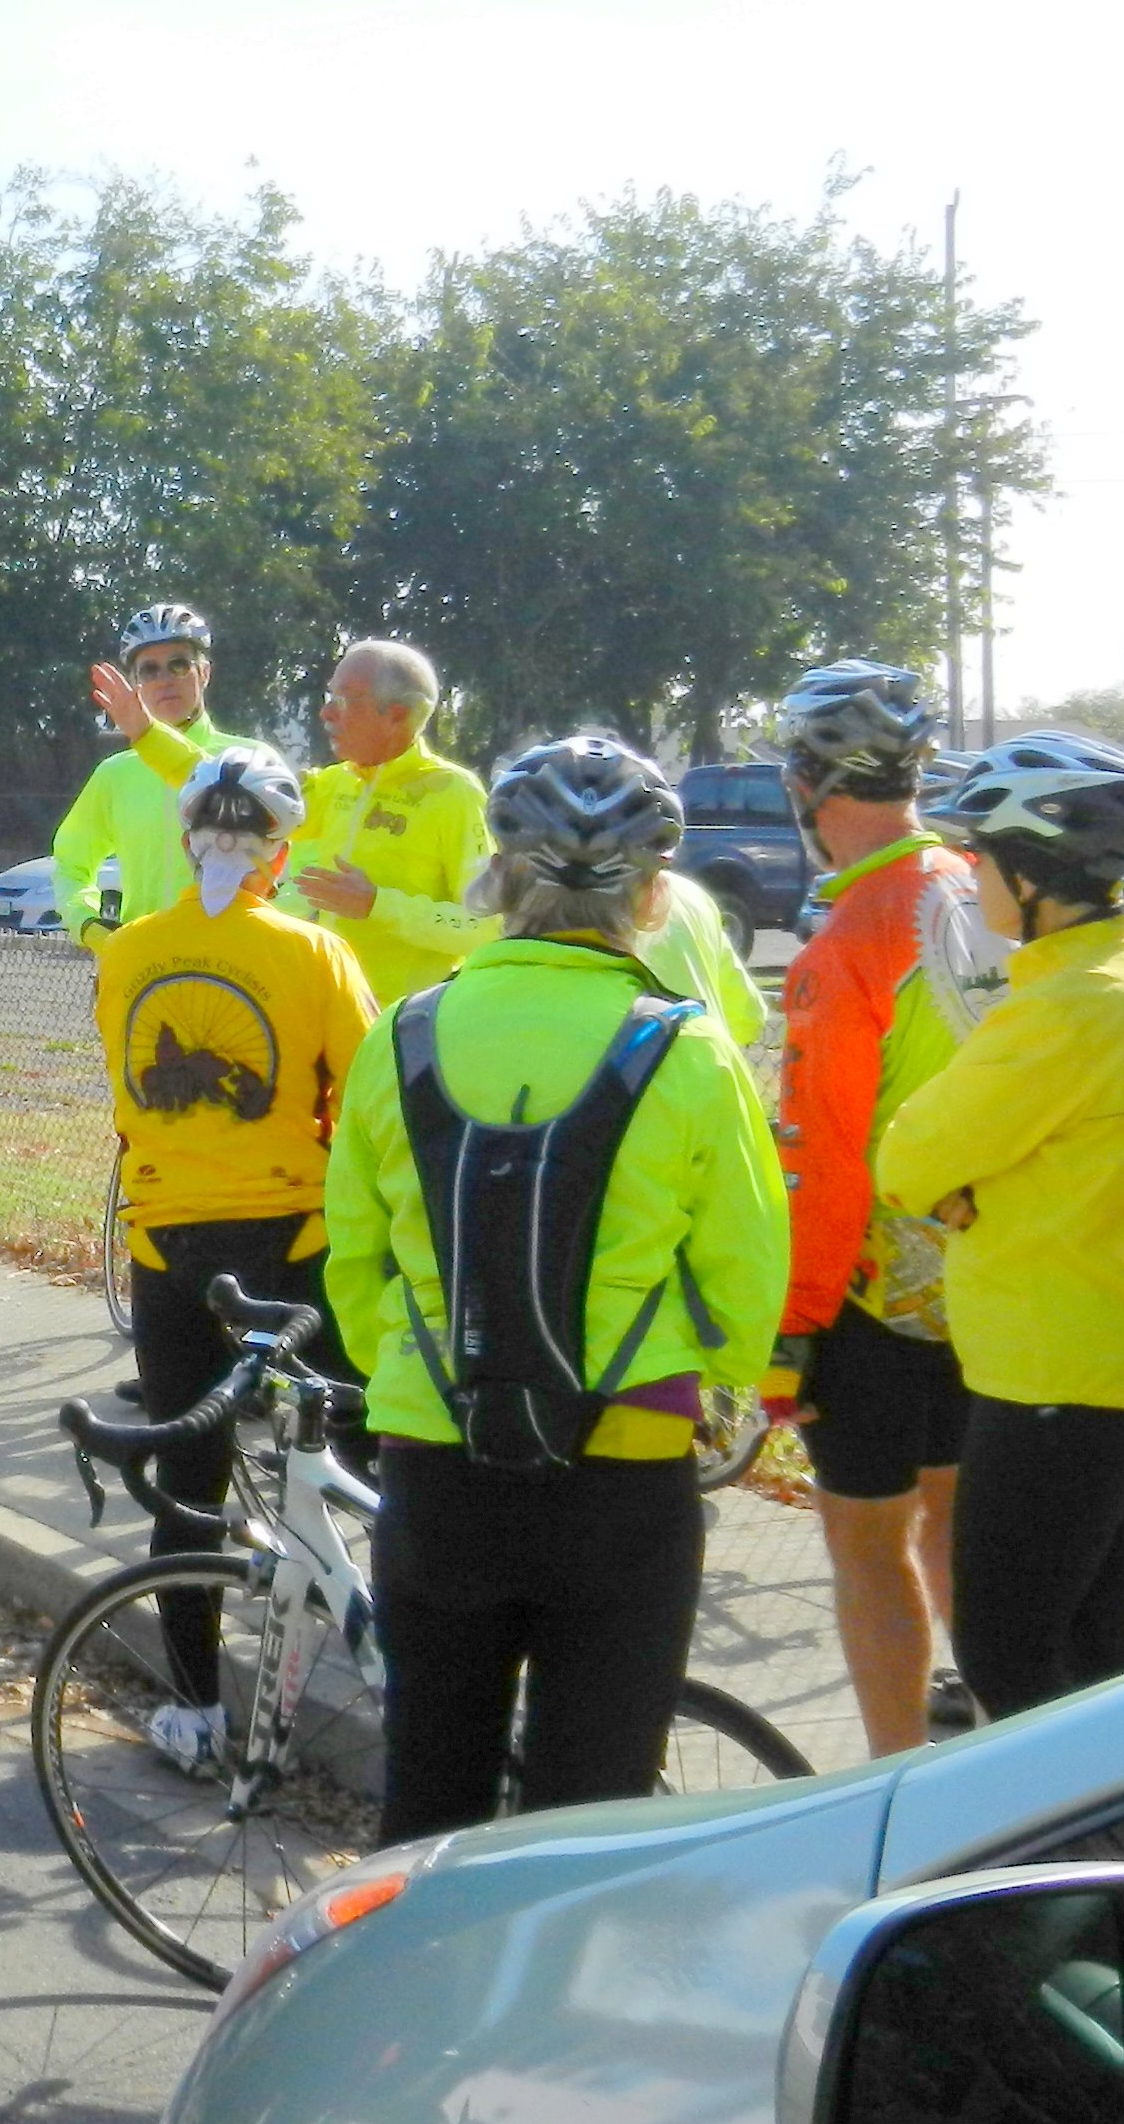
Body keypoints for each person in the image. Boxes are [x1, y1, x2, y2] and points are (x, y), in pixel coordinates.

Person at [320, 734, 788, 1844]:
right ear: (655, 897)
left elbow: (353, 1259)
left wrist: (407, 1369)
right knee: (587, 1817)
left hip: (438, 1453)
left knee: (429, 1801)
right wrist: (721, 1377)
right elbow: (744, 1276)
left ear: (496, 880)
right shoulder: (691, 1049)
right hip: (624, 1463)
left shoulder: (402, 1034)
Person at [875, 731, 1124, 1723]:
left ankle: (1087, 1826)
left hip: (1061, 1367)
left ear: (1032, 872)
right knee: (1095, 1651)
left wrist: (957, 1184)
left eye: (980, 854)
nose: (969, 873)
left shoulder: (1071, 1005)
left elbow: (906, 1159)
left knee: (1007, 1655)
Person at [92, 744, 378, 1767]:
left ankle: (196, 1713)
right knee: (363, 1452)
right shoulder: (316, 953)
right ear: (280, 854)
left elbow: (129, 1087)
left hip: (166, 1244)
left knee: (189, 1481)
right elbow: (368, 1100)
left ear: (185, 842)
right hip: (290, 1243)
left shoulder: (126, 951)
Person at [760, 661, 1001, 1754]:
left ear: (808, 784)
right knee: (961, 1525)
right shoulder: (976, 885)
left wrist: (792, 1330)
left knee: (868, 1543)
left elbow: (821, 1161)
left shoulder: (849, 937)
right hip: (990, 1269)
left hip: (874, 1292)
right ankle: (1009, 1753)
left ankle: (896, 1787)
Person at [113, 642, 763, 1037]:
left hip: (399, 1033)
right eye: (328, 696)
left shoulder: (453, 796)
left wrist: (379, 906)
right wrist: (145, 735)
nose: (325, 712)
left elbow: (487, 928)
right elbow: (226, 788)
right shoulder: (330, 786)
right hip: (308, 1024)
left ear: (396, 714)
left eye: (344, 699)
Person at [54, 600, 235, 948]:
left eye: (178, 665)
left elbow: (295, 866)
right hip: (142, 964)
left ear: (204, 673)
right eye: (150, 670)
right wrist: (88, 925)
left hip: (231, 966)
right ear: (135, 683)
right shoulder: (114, 774)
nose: (165, 680)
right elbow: (69, 864)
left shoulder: (249, 760)